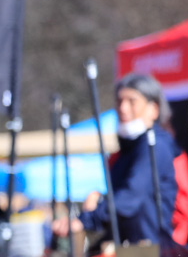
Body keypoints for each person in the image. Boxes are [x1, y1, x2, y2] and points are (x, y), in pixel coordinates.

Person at [53, 72, 178, 247]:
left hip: (151, 253)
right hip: (128, 249)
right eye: (119, 101)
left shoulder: (154, 146)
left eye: (132, 101)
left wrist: (87, 219)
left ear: (153, 109)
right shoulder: (127, 149)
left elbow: (130, 197)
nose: (123, 108)